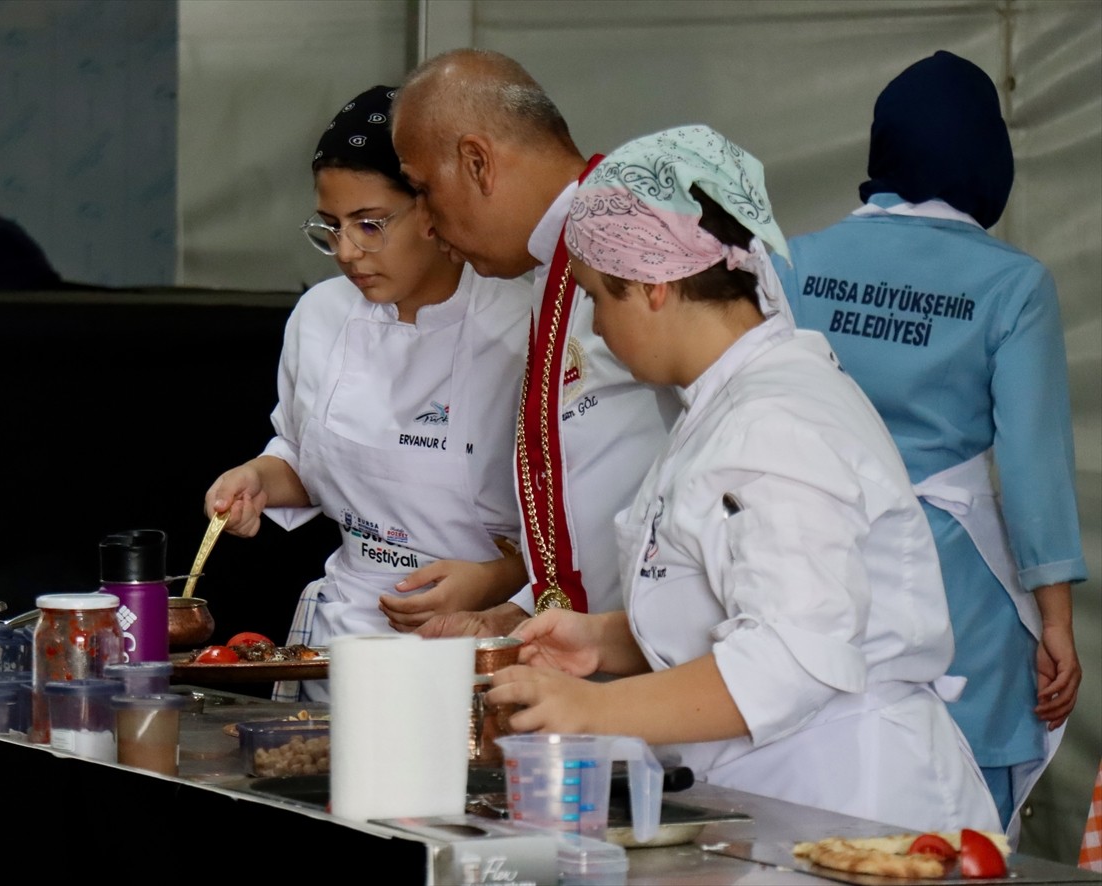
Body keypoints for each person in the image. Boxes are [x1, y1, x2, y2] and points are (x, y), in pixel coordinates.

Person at [487, 124, 1001, 834]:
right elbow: (736, 598)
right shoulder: (727, 403)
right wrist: (603, 640)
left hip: (854, 803)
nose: (597, 330)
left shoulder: (775, 423)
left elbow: (795, 655)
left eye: (599, 298)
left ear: (653, 287)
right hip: (781, 796)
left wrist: (596, 709)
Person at [773, 51, 1086, 842]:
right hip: (958, 592)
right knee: (958, 819)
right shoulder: (1013, 284)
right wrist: (1056, 621)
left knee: (818, 805)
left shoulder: (793, 261)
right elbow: (1035, 465)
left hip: (819, 566)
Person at [203, 85, 532, 696]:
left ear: (433, 208)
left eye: (370, 224)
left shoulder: (523, 327)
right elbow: (306, 455)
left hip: (484, 651)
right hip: (342, 644)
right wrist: (259, 477)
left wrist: (496, 581)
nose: (347, 252)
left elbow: (581, 530)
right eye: (330, 226)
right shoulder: (320, 316)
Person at [386, 49, 680, 638]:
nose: (424, 222)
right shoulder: (556, 258)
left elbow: (733, 447)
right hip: (603, 649)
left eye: (423, 189)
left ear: (477, 163)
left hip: (669, 659)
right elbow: (600, 475)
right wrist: (519, 613)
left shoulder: (640, 234)